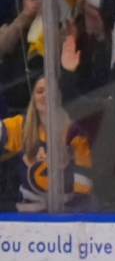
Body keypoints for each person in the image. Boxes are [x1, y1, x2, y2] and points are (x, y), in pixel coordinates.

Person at [1, 75, 92, 211]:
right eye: (40, 91)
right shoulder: (21, 126)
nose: (45, 95)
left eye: (50, 91)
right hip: (27, 215)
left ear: (58, 96)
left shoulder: (73, 132)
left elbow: (83, 183)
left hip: (64, 213)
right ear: (34, 98)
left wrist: (71, 214)